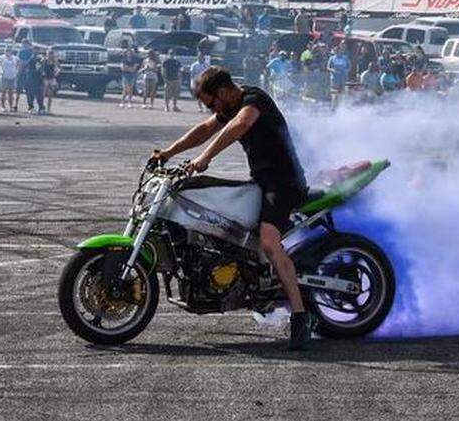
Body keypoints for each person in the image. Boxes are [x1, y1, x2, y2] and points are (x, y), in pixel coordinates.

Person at [153, 67, 313, 350]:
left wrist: (205, 158)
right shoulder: (227, 108)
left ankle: (301, 317)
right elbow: (204, 129)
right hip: (261, 182)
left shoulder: (254, 99)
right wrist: (168, 153)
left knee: (269, 241)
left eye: (211, 102)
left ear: (224, 92)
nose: (211, 108)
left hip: (284, 184)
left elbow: (240, 124)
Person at [0, 45, 18, 112]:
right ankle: (2, 106)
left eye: (9, 50)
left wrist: (17, 72)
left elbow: (18, 64)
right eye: (6, 50)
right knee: (3, 92)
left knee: (11, 93)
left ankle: (11, 106)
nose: (8, 51)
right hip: (4, 77)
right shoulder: (1, 57)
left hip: (12, 77)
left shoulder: (15, 58)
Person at [25, 48, 46, 114]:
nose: (35, 51)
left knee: (39, 94)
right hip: (30, 78)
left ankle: (41, 108)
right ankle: (31, 107)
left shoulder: (40, 59)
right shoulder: (30, 58)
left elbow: (41, 68)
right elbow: (26, 67)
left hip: (38, 78)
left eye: (37, 50)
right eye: (34, 50)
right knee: (30, 94)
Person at [119, 40, 139, 108]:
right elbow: (122, 68)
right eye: (128, 52)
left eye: (130, 52)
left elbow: (134, 68)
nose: (129, 53)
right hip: (125, 75)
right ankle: (122, 102)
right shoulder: (123, 60)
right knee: (125, 89)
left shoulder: (134, 59)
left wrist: (128, 68)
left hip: (132, 75)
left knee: (130, 89)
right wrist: (129, 68)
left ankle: (129, 102)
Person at [43, 49, 59, 114]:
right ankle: (41, 107)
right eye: (49, 53)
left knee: (50, 94)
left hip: (52, 79)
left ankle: (48, 109)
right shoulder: (44, 61)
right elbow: (41, 69)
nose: (50, 55)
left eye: (51, 54)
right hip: (45, 78)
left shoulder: (55, 62)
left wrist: (56, 74)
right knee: (43, 94)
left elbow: (58, 69)